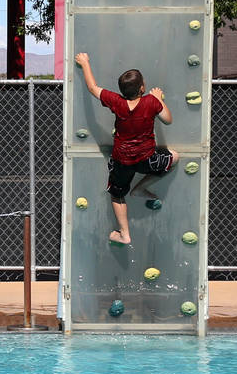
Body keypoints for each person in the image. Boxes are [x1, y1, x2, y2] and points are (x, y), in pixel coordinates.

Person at [74, 52, 178, 246]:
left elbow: (92, 88)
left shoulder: (117, 102)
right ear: (143, 88)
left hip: (122, 161)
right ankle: (141, 187)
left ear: (122, 90)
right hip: (147, 159)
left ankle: (124, 233)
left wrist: (85, 62)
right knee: (174, 157)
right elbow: (168, 120)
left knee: (117, 193)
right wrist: (158, 98)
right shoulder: (151, 102)